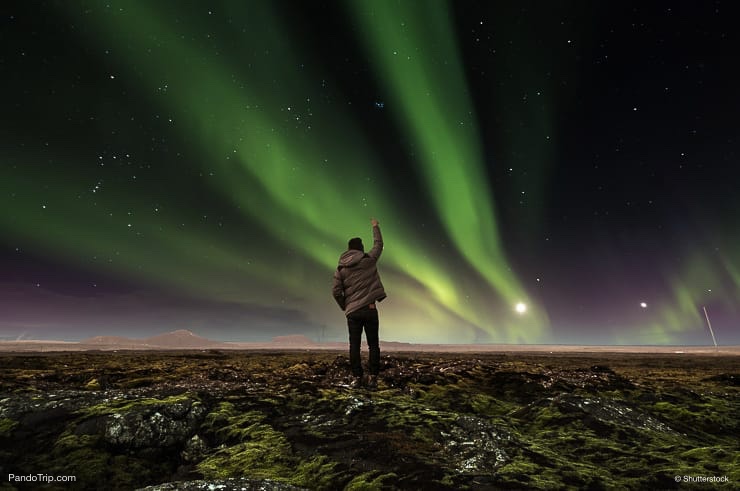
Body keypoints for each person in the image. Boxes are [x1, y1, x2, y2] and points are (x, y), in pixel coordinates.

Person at [332, 218, 386, 388]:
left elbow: (335, 291)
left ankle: (357, 377)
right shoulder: (369, 260)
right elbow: (379, 245)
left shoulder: (341, 269)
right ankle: (373, 378)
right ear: (361, 249)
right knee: (373, 345)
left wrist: (345, 306)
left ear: (348, 250)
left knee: (354, 345)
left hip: (352, 313)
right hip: (370, 309)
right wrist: (375, 226)